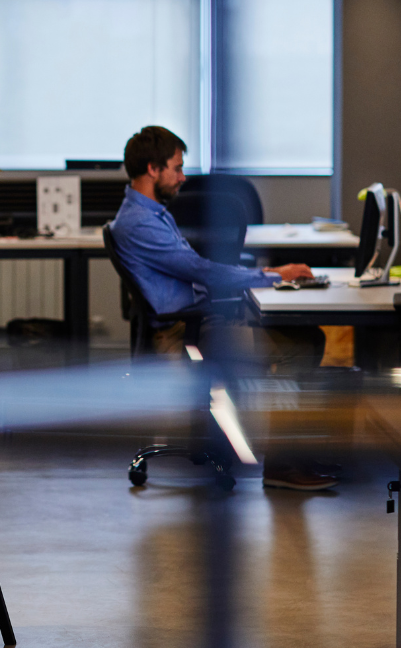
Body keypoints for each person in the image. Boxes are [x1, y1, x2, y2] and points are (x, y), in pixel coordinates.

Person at [109, 126, 338, 490]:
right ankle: (282, 464)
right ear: (153, 169)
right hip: (186, 334)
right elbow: (200, 269)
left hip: (195, 322)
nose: (183, 177)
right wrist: (271, 274)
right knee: (303, 345)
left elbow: (194, 270)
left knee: (300, 335)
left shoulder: (149, 213)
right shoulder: (140, 223)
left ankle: (291, 451)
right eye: (177, 168)